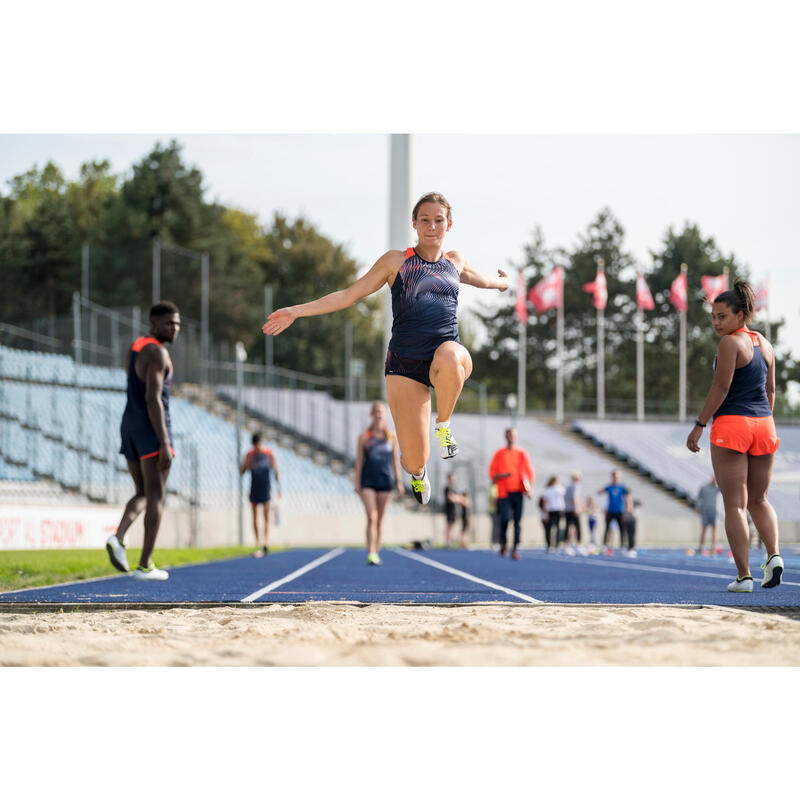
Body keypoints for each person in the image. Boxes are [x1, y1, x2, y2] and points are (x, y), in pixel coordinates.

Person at [262, 192, 507, 506]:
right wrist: (296, 311)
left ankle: (443, 424)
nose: (432, 226)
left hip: (444, 357)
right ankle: (416, 473)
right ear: (414, 224)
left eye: (438, 220)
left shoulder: (453, 261)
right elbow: (349, 294)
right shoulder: (397, 261)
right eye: (425, 220)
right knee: (417, 457)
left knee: (451, 356)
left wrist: (504, 283)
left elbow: (482, 279)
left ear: (449, 225)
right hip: (405, 366)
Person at [686, 280, 783, 592]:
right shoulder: (765, 344)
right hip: (764, 424)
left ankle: (744, 576)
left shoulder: (730, 344)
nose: (716, 323)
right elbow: (771, 391)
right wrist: (762, 418)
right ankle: (774, 556)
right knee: (760, 499)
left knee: (735, 505)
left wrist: (700, 424)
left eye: (722, 316)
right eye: (713, 316)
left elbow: (721, 388)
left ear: (741, 316)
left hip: (733, 425)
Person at [105, 301, 181, 580]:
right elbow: (152, 398)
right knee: (157, 497)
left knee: (143, 492)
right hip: (151, 431)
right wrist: (163, 443)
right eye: (169, 324)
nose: (175, 329)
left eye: (177, 325)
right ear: (153, 324)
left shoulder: (135, 348)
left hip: (129, 427)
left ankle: (118, 538)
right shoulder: (158, 353)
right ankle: (145, 565)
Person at [353, 401, 404, 565]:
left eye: (381, 411)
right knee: (371, 517)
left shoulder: (391, 437)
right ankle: (371, 552)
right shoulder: (364, 437)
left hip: (385, 480)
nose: (378, 414)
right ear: (371, 414)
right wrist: (356, 481)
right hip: (368, 480)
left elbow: (395, 461)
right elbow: (359, 460)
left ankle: (376, 550)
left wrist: (399, 482)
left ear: (385, 414)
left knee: (380, 519)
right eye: (376, 411)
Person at [489, 427, 535, 559]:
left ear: (516, 437)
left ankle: (515, 548)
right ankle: (503, 543)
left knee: (517, 522)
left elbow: (530, 473)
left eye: (513, 435)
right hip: (504, 492)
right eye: (509, 435)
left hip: (518, 492)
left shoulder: (522, 453)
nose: (511, 437)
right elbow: (492, 473)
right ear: (505, 436)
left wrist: (529, 488)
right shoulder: (499, 454)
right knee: (504, 519)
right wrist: (501, 475)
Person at [240, 433, 281, 558]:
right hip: (254, 488)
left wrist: (279, 488)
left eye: (258, 445)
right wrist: (247, 464)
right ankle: (257, 542)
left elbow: (275, 470)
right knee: (255, 516)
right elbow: (242, 471)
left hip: (265, 488)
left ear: (260, 443)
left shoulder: (269, 454)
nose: (257, 448)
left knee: (266, 517)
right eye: (255, 446)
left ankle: (265, 542)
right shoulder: (249, 455)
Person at [598, 470, 630, 554]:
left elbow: (627, 496)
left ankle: (623, 546)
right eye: (614, 476)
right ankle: (604, 545)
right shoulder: (609, 487)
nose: (615, 478)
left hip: (620, 511)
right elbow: (599, 492)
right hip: (610, 511)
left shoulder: (622, 487)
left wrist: (627, 508)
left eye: (617, 476)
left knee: (622, 529)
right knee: (607, 529)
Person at [444, 472, 471, 548]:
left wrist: (458, 498)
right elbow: (451, 498)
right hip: (449, 509)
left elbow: (456, 497)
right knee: (449, 525)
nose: (453, 480)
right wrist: (460, 498)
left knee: (452, 525)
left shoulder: (453, 489)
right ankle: (448, 541)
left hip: (454, 510)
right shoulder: (447, 488)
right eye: (452, 478)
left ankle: (451, 540)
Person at [696, 476, 721, 555]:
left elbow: (723, 487)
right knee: (704, 530)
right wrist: (698, 508)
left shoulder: (716, 488)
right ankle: (701, 547)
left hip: (714, 512)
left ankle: (713, 548)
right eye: (714, 478)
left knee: (714, 531)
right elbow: (699, 498)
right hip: (705, 511)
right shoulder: (704, 488)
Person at [542, 476, 566, 553]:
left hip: (558, 510)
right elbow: (545, 502)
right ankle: (549, 545)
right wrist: (546, 513)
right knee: (549, 528)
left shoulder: (560, 488)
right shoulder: (548, 490)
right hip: (551, 510)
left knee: (558, 527)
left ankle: (557, 544)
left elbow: (563, 496)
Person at [564, 471, 584, 554]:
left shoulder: (570, 486)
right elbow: (574, 498)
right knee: (577, 527)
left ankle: (567, 545)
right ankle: (578, 544)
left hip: (568, 509)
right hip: (572, 509)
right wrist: (576, 508)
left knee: (569, 527)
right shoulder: (576, 485)